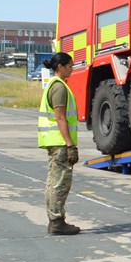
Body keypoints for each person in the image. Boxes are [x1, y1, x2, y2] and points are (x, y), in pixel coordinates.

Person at [37, 52, 82, 235]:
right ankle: (57, 222)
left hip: (54, 142)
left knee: (53, 181)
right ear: (60, 67)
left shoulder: (52, 85)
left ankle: (54, 220)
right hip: (60, 143)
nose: (72, 69)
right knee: (60, 183)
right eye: (70, 66)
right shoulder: (59, 88)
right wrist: (70, 145)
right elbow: (60, 117)